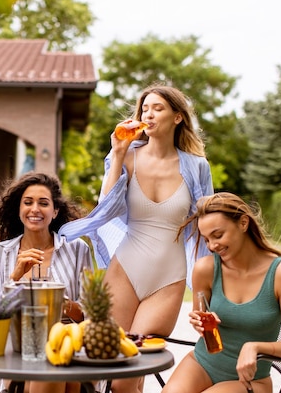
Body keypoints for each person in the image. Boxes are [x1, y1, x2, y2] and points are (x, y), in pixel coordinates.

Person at [59, 84, 213, 393]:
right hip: (125, 269)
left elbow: (207, 226)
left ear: (178, 117)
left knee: (127, 377)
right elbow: (106, 205)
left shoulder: (197, 166)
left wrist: (210, 282)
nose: (149, 114)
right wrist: (116, 154)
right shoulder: (127, 155)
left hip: (169, 277)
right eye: (145, 108)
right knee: (103, 361)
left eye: (157, 108)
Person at [162, 192, 281, 393]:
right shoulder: (206, 269)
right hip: (202, 364)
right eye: (206, 239)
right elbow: (203, 323)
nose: (212, 246)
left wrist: (254, 347)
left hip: (251, 381)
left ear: (243, 223)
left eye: (218, 235)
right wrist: (198, 322)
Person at [0, 172, 92, 393]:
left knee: (55, 374)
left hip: (67, 345)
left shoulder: (78, 249)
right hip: (17, 348)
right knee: (45, 378)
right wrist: (15, 276)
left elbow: (89, 314)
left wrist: (60, 302)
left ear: (55, 211)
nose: (35, 209)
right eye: (27, 202)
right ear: (19, 209)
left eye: (43, 203)